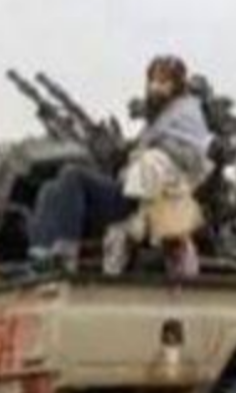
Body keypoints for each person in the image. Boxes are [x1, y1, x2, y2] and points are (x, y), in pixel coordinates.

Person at [28, 56, 214, 278]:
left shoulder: (186, 117)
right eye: (153, 81)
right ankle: (41, 255)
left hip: (145, 200)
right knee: (50, 188)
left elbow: (190, 159)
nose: (155, 87)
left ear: (177, 85)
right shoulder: (159, 119)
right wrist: (125, 153)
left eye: (164, 82)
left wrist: (145, 149)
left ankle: (64, 258)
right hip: (132, 186)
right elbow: (138, 152)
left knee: (72, 175)